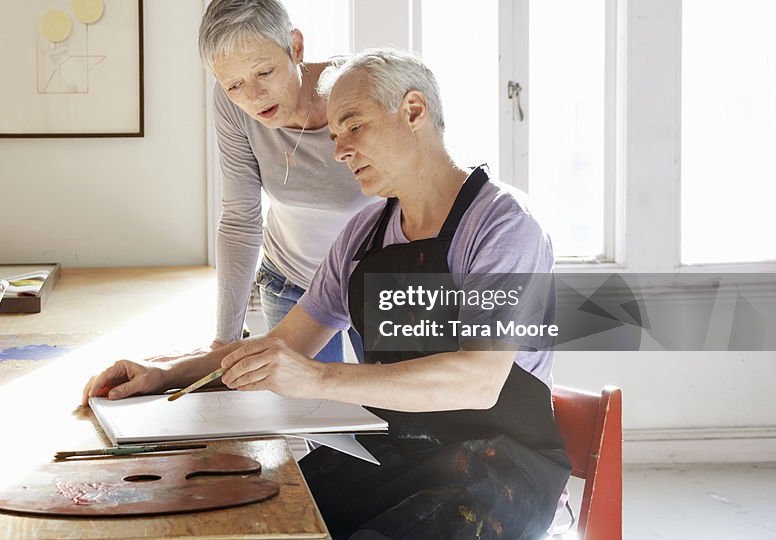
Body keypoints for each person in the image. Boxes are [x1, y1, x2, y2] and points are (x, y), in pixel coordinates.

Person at [84, 48, 570, 539]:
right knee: (253, 520)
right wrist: (166, 375)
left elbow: (478, 380)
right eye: (335, 136)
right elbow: (283, 346)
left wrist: (317, 378)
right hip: (399, 453)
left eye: (353, 127)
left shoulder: (505, 226)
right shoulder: (364, 234)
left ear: (414, 111)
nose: (339, 151)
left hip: (502, 468)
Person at [199, 0, 376, 361]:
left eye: (265, 71)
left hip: (379, 283)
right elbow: (239, 219)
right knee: (303, 416)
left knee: (401, 413)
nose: (255, 95)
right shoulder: (230, 107)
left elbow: (418, 203)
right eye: (234, 85)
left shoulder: (363, 89)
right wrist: (225, 344)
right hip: (291, 285)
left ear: (295, 47)